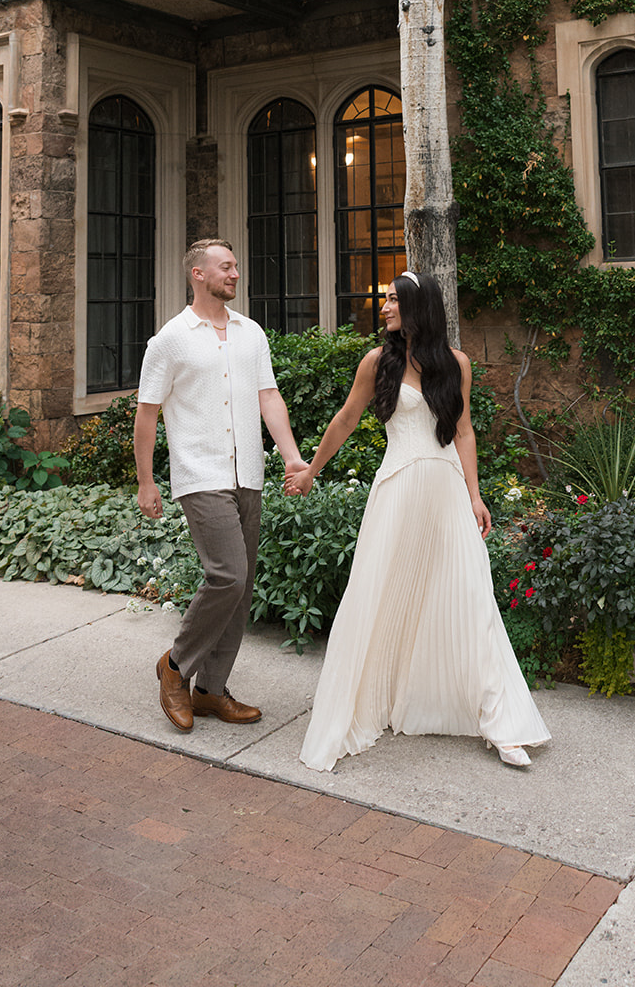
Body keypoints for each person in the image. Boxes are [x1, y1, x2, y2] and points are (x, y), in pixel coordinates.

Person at [285, 271, 550, 772]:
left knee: (471, 597)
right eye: (384, 300)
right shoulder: (377, 362)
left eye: (391, 300)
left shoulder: (457, 364)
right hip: (398, 492)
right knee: (381, 593)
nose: (383, 307)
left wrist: (475, 496)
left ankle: (502, 724)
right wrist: (311, 472)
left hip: (447, 491)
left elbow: (464, 430)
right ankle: (374, 700)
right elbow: (345, 419)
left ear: (417, 307)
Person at [135, 238, 307, 732]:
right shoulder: (170, 340)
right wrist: (147, 481)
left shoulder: (251, 333)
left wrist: (292, 457)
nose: (234, 274)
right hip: (200, 474)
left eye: (235, 267)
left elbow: (269, 398)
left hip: (247, 473)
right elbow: (147, 414)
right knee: (227, 575)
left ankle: (211, 690)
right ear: (197, 274)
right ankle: (175, 666)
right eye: (225, 267)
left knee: (242, 586)